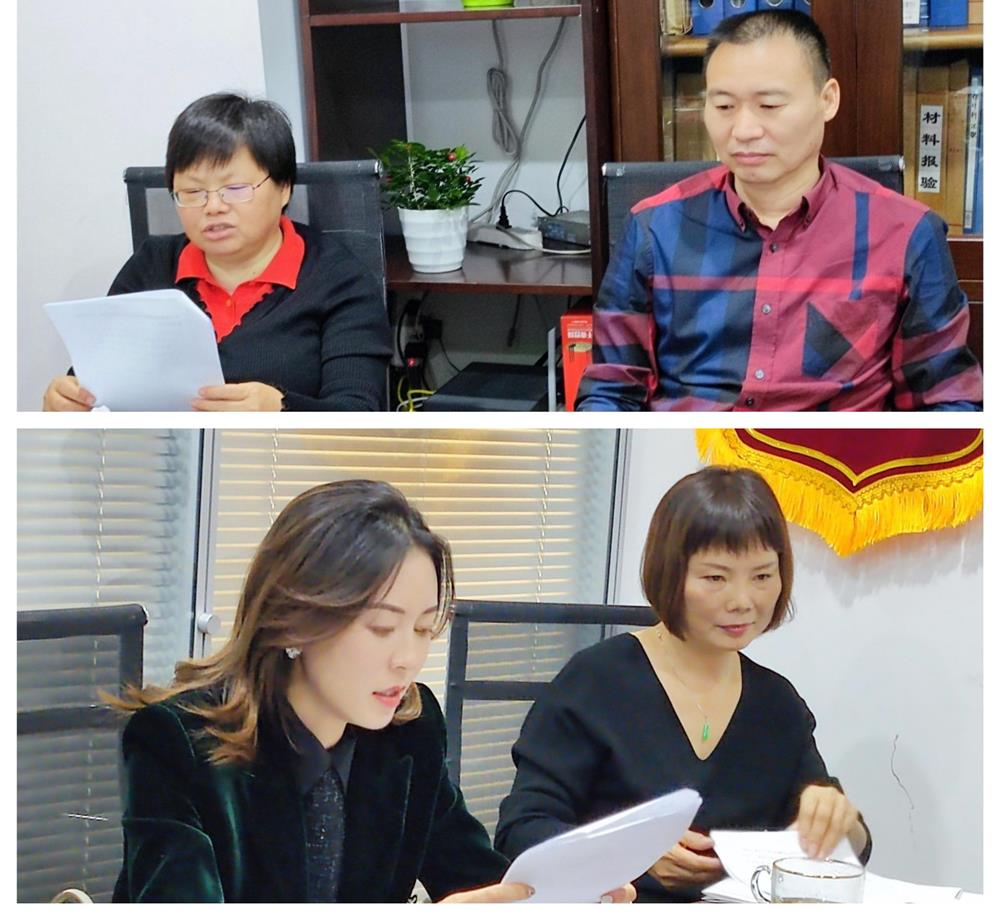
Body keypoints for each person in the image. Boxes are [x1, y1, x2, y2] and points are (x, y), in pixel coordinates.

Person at [109, 479, 635, 904]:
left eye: (424, 628)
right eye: (382, 628)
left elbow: (477, 880)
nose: (408, 657)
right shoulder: (178, 742)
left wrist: (562, 896)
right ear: (296, 620)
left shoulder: (410, 730)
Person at [494, 466, 872, 903]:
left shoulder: (777, 703)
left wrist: (843, 823)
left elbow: (848, 847)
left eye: (763, 576)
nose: (742, 601)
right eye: (715, 578)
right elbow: (521, 830)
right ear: (670, 573)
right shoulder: (595, 681)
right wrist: (630, 857)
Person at [575, 9, 982, 411]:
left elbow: (948, 402)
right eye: (724, 107)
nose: (743, 131)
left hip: (829, 452)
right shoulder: (654, 228)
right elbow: (611, 392)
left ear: (828, 100)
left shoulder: (905, 233)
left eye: (769, 106)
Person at [43, 93, 391, 412]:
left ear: (284, 187)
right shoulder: (151, 266)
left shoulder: (340, 281)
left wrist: (281, 409)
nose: (213, 207)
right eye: (193, 192)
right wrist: (68, 400)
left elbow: (359, 416)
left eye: (235, 188)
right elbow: (98, 378)